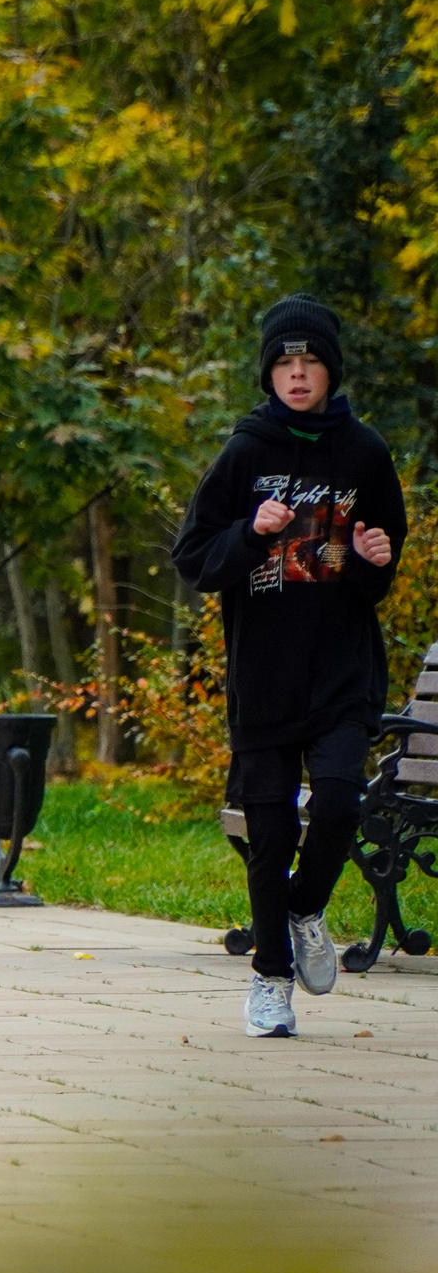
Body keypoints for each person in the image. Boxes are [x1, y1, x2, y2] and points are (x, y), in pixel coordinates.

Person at [174, 295, 407, 1039]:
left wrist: (377, 562)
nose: (297, 374)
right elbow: (195, 558)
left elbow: (379, 557)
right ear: (269, 373)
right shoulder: (245, 454)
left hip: (341, 674)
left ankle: (306, 905)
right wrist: (250, 531)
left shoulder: (364, 452)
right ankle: (271, 978)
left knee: (338, 803)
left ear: (330, 370)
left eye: (309, 362)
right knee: (270, 830)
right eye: (284, 362)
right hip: (265, 675)